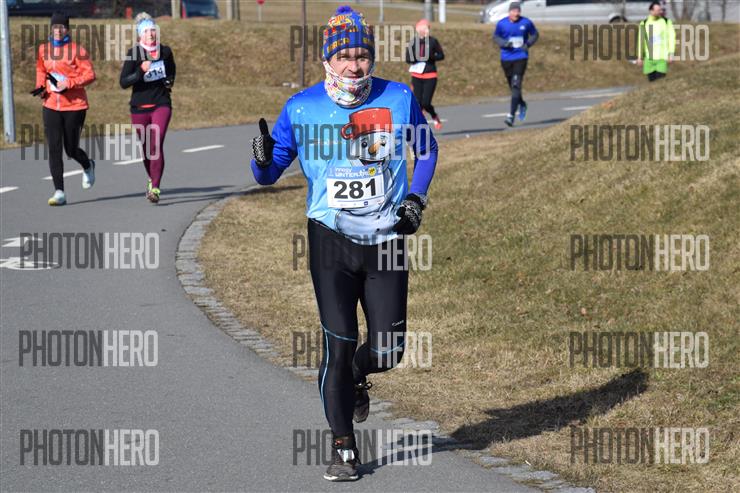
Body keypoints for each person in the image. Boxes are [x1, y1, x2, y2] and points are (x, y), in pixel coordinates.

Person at [250, 6, 438, 482]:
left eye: (362, 56)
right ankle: (343, 449)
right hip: (330, 240)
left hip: (387, 238)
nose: (355, 66)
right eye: (345, 57)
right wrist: (260, 159)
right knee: (339, 343)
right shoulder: (301, 107)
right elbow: (269, 174)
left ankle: (358, 374)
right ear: (327, 60)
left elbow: (426, 149)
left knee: (389, 350)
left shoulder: (399, 97)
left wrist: (415, 198)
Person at [32, 11, 96, 206]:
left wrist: (68, 83)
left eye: (61, 27)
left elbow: (90, 75)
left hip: (75, 106)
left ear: (67, 29)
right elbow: (41, 69)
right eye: (55, 27)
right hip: (51, 104)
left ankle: (87, 165)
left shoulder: (77, 50)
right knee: (54, 147)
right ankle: (59, 191)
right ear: (51, 29)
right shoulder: (43, 49)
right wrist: (41, 87)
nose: (58, 31)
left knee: (71, 149)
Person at [120, 13, 176, 204]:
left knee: (156, 144)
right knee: (146, 151)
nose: (150, 34)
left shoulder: (165, 51)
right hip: (139, 107)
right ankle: (152, 178)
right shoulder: (134, 54)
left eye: (153, 30)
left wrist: (169, 81)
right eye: (146, 31)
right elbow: (123, 82)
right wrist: (140, 71)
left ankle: (156, 188)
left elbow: (171, 70)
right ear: (140, 35)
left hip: (161, 103)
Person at [493, 1, 538, 127]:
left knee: (516, 85)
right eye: (514, 11)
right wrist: (504, 43)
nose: (516, 14)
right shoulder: (502, 24)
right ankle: (522, 103)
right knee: (512, 87)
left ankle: (511, 116)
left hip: (521, 57)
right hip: (506, 58)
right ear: (509, 12)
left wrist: (527, 44)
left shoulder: (526, 22)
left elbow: (535, 34)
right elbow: (496, 37)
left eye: (518, 11)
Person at [406, 19, 445, 130]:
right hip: (417, 75)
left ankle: (434, 116)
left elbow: (441, 55)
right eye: (421, 28)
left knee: (426, 103)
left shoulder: (433, 41)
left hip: (430, 75)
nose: (424, 31)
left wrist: (431, 56)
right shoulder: (413, 42)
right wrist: (415, 58)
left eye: (426, 28)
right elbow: (408, 58)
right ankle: (419, 124)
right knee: (418, 102)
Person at [637, 1, 675, 82]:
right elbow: (641, 41)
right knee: (652, 85)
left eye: (660, 10)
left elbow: (672, 38)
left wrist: (671, 54)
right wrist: (640, 57)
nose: (660, 12)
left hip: (662, 58)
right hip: (649, 59)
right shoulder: (644, 23)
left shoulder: (666, 22)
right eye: (658, 10)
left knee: (660, 83)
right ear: (651, 11)